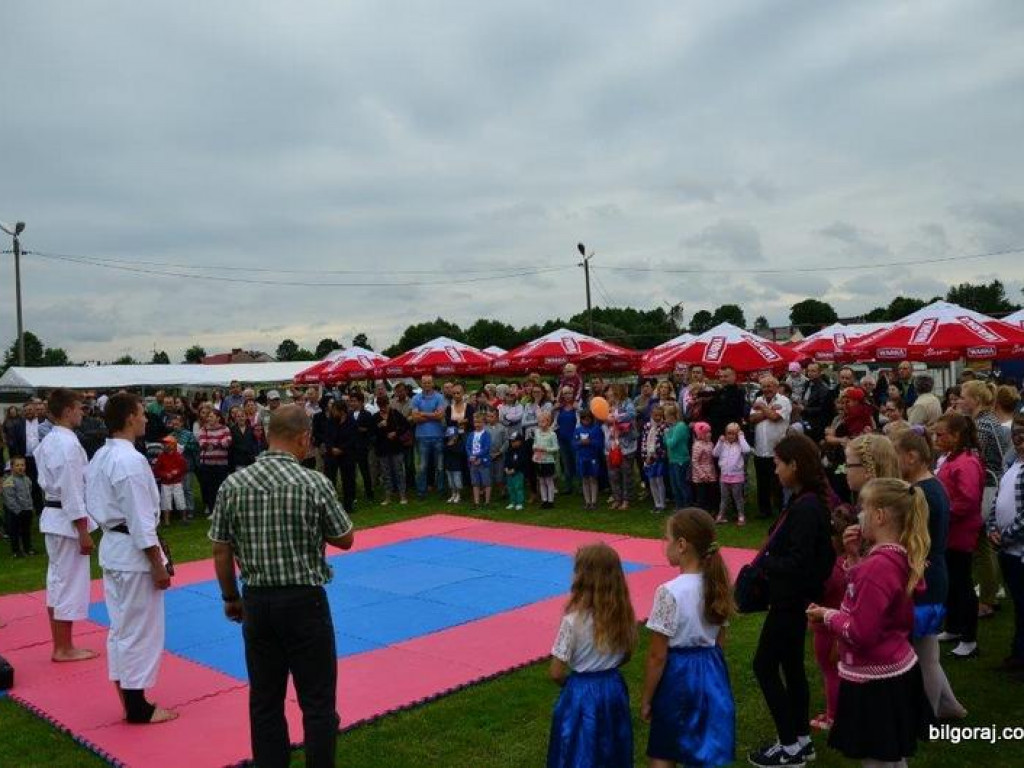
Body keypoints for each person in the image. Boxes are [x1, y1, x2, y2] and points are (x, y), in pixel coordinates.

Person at [210, 404, 354, 768]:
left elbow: (221, 549)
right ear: (303, 438)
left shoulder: (233, 484)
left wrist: (231, 597)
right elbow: (345, 537)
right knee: (318, 702)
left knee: (265, 700)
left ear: (267, 434)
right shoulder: (313, 482)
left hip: (257, 601)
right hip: (305, 601)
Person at [807, 478, 933, 766]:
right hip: (894, 667)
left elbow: (860, 631)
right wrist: (853, 558)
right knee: (891, 753)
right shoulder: (895, 558)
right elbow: (870, 601)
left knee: (877, 758)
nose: (859, 514)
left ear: (879, 515)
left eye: (864, 508)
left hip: (875, 681)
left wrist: (827, 615)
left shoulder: (877, 567)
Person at [86, 392, 176, 724]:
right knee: (141, 631)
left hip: (113, 548)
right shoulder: (130, 461)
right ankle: (139, 708)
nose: (146, 418)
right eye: (141, 413)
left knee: (122, 629)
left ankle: (130, 700)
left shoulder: (100, 457)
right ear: (128, 418)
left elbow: (95, 504)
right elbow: (139, 518)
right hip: (134, 553)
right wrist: (157, 563)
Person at [748, 434, 834, 768]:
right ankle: (800, 739)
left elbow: (800, 562)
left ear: (794, 465)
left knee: (764, 665)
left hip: (790, 600)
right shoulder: (804, 501)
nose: (775, 468)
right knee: (791, 666)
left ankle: (789, 743)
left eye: (779, 463)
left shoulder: (806, 506)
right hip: (795, 599)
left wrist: (766, 561)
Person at [642, 508, 736, 767]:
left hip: (678, 676)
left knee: (665, 746)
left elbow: (657, 655)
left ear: (681, 545)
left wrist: (648, 698)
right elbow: (720, 640)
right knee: (707, 744)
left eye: (667, 539)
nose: (666, 545)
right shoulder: (717, 585)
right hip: (712, 673)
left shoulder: (669, 592)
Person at [895, 428, 966, 719]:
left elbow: (916, 539)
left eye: (897, 455)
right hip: (932, 573)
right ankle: (949, 706)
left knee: (926, 655)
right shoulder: (930, 485)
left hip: (926, 578)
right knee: (927, 649)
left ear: (912, 457)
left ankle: (927, 716)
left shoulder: (922, 492)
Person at [547, 543, 636, 768]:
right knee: (613, 744)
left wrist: (572, 683)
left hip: (581, 692)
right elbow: (627, 654)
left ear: (582, 578)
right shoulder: (622, 616)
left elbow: (556, 671)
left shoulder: (573, 621)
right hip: (613, 687)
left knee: (579, 747)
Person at [34, 388, 98, 663]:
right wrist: (83, 530)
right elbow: (72, 490)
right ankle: (63, 648)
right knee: (68, 584)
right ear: (69, 410)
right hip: (66, 520)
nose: (82, 412)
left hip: (55, 517)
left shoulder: (49, 441)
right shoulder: (67, 444)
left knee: (58, 582)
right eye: (80, 408)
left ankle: (62, 645)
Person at [933, 412, 985, 659]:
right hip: (949, 532)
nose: (936, 437)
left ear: (955, 436)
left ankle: (969, 638)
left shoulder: (966, 462)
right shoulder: (951, 458)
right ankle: (953, 627)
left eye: (940, 434)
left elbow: (968, 500)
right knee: (952, 583)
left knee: (962, 584)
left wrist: (943, 512)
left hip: (960, 533)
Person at [959, 380, 1011, 620]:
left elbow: (974, 461)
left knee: (982, 544)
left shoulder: (981, 426)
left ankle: (988, 599)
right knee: (985, 543)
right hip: (994, 483)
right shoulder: (991, 422)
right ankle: (991, 593)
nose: (960, 400)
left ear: (976, 400)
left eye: (963, 396)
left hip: (987, 486)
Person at [988, 411, 1024, 671]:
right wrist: (992, 528)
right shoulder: (1013, 466)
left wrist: (1006, 535)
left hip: (1017, 548)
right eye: (1017, 434)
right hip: (1008, 549)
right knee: (1019, 608)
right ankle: (1018, 653)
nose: (1019, 438)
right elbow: (997, 501)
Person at [751, 376, 792, 519]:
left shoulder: (784, 401)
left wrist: (762, 408)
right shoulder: (758, 399)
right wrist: (768, 411)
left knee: (779, 482)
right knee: (762, 482)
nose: (767, 389)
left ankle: (781, 510)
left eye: (769, 386)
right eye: (764, 386)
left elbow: (776, 417)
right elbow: (752, 419)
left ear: (776, 387)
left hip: (777, 449)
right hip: (760, 449)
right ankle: (764, 511)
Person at [410, 375, 447, 499]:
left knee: (440, 466)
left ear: (433, 383)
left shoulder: (439, 397)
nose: (426, 385)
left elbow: (440, 416)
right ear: (421, 384)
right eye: (424, 383)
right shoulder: (416, 398)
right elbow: (415, 418)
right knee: (422, 467)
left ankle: (441, 491)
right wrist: (433, 415)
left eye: (429, 382)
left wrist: (422, 413)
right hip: (422, 437)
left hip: (438, 436)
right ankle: (421, 492)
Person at [373, 395, 409, 506]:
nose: (383, 408)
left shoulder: (395, 414)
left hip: (396, 447)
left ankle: (402, 495)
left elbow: (406, 426)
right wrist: (378, 426)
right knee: (386, 473)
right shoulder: (375, 417)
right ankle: (387, 496)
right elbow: (372, 433)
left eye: (385, 405)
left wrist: (396, 433)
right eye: (381, 406)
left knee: (399, 471)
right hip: (382, 449)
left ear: (388, 404)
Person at [713, 423, 751, 526]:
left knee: (738, 498)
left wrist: (741, 437)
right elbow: (715, 453)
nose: (731, 436)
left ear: (738, 434)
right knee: (724, 498)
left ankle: (741, 516)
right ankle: (721, 516)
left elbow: (747, 450)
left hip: (737, 477)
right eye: (729, 433)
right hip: (724, 476)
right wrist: (719, 442)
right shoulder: (723, 444)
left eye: (734, 434)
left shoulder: (740, 445)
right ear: (725, 433)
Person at [324, 401, 358, 513]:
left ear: (341, 411)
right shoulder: (330, 421)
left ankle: (349, 504)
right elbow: (327, 436)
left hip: (347, 454)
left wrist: (342, 449)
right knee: (330, 478)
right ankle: (331, 504)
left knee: (348, 479)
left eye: (334, 410)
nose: (332, 412)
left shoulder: (351, 422)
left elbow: (353, 438)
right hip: (331, 454)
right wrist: (331, 448)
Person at [198, 409, 232, 516]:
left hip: (221, 464)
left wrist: (213, 444)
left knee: (220, 487)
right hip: (207, 464)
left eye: (212, 416)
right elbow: (202, 444)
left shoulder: (225, 429)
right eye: (209, 417)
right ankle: (212, 510)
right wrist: (219, 443)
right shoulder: (204, 429)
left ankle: (222, 510)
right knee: (210, 488)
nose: (209, 419)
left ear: (218, 418)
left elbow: (228, 442)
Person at [3, 456, 36, 557]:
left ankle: (27, 548)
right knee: (15, 532)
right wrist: (18, 510)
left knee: (26, 531)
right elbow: (9, 498)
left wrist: (29, 507)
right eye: (17, 465)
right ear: (12, 467)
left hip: (27, 510)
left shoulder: (27, 480)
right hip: (15, 512)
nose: (20, 467)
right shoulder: (9, 481)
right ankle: (16, 551)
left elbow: (29, 493)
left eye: (22, 465)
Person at [347, 391, 376, 503]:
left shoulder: (367, 414)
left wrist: (363, 430)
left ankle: (369, 494)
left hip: (362, 447)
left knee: (365, 471)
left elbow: (371, 430)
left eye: (354, 401)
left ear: (360, 402)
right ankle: (353, 495)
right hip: (351, 447)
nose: (352, 403)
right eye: (351, 401)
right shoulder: (348, 414)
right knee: (351, 473)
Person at [153, 436, 188, 527]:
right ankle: (167, 521)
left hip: (177, 482)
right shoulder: (161, 456)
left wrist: (176, 472)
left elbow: (183, 468)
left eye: (167, 443)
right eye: (164, 444)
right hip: (165, 482)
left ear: (173, 445)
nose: (165, 445)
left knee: (180, 499)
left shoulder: (179, 456)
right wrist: (165, 474)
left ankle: (184, 518)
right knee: (165, 501)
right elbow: (156, 470)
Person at [641, 404, 670, 514]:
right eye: (655, 415)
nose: (657, 417)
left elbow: (664, 444)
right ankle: (656, 503)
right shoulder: (647, 426)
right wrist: (645, 456)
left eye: (659, 415)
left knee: (659, 480)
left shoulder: (664, 427)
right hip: (648, 457)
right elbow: (644, 441)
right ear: (651, 414)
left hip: (659, 457)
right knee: (651, 480)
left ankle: (662, 503)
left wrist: (656, 455)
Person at [572, 409, 603, 511]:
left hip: (592, 458)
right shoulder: (578, 429)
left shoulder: (596, 429)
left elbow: (599, 444)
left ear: (591, 419)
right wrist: (580, 443)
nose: (586, 421)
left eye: (588, 419)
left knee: (593, 479)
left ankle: (593, 501)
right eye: (584, 419)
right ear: (581, 420)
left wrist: (590, 442)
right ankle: (587, 501)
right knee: (584, 479)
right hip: (582, 458)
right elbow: (574, 444)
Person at [663, 404, 692, 510]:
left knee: (682, 484)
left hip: (681, 460)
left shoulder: (680, 426)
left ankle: (686, 506)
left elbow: (671, 443)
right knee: (674, 485)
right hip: (672, 459)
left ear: (672, 416)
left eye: (666, 416)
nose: (665, 419)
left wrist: (666, 435)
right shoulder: (672, 427)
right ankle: (679, 506)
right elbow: (665, 443)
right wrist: (667, 436)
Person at [799, 363, 834, 442]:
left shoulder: (823, 389)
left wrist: (805, 409)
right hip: (805, 419)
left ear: (819, 372)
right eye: (809, 371)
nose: (810, 373)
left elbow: (824, 409)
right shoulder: (807, 384)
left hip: (816, 424)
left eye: (813, 371)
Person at [554, 387, 579, 494]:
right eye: (565, 393)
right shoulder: (560, 408)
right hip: (562, 439)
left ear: (573, 394)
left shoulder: (576, 407)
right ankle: (568, 486)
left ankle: (581, 486)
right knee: (566, 463)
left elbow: (582, 420)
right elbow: (553, 422)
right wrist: (553, 409)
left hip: (575, 439)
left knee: (577, 462)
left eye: (569, 393)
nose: (567, 395)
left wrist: (578, 409)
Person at [466, 411, 492, 508]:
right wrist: (471, 456)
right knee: (475, 483)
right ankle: (476, 502)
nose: (477, 424)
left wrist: (477, 456)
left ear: (484, 423)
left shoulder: (486, 434)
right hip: (473, 462)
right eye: (475, 422)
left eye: (479, 422)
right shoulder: (471, 435)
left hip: (483, 461)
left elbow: (486, 448)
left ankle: (487, 502)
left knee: (486, 482)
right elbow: (468, 447)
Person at [533, 411, 559, 509]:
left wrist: (546, 449)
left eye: (543, 422)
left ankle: (550, 501)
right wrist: (535, 447)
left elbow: (556, 448)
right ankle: (544, 500)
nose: (541, 424)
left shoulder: (552, 434)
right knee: (541, 480)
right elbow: (534, 443)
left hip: (548, 460)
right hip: (539, 460)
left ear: (548, 422)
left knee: (549, 480)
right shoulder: (537, 433)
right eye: (539, 422)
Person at [690, 422, 717, 513]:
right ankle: (701, 513)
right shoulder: (697, 445)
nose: (709, 434)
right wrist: (702, 475)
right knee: (702, 496)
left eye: (709, 432)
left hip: (711, 473)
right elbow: (695, 461)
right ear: (700, 434)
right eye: (706, 432)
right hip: (700, 477)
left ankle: (711, 511)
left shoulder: (710, 443)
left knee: (711, 495)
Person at [486, 408, 509, 499]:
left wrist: (500, 452)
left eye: (492, 416)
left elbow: (506, 441)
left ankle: (503, 490)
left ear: (496, 417)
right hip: (488, 455)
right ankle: (488, 493)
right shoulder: (485, 428)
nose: (489, 418)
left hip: (499, 455)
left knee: (499, 476)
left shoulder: (502, 428)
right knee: (489, 475)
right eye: (488, 416)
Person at [443, 421, 466, 505]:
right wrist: (449, 445)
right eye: (449, 436)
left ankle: (458, 495)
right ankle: (453, 494)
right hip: (448, 466)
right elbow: (444, 451)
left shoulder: (460, 444)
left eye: (453, 436)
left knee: (457, 481)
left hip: (457, 467)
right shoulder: (446, 444)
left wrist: (451, 446)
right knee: (451, 482)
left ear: (457, 436)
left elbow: (459, 453)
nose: (451, 438)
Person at [505, 431, 528, 511]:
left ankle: (519, 503)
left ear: (520, 441)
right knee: (510, 488)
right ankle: (512, 502)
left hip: (518, 472)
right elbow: (506, 460)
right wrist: (506, 468)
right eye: (511, 441)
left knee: (518, 488)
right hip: (509, 473)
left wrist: (514, 469)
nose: (513, 443)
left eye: (515, 441)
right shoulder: (509, 450)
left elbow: (522, 462)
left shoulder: (522, 450)